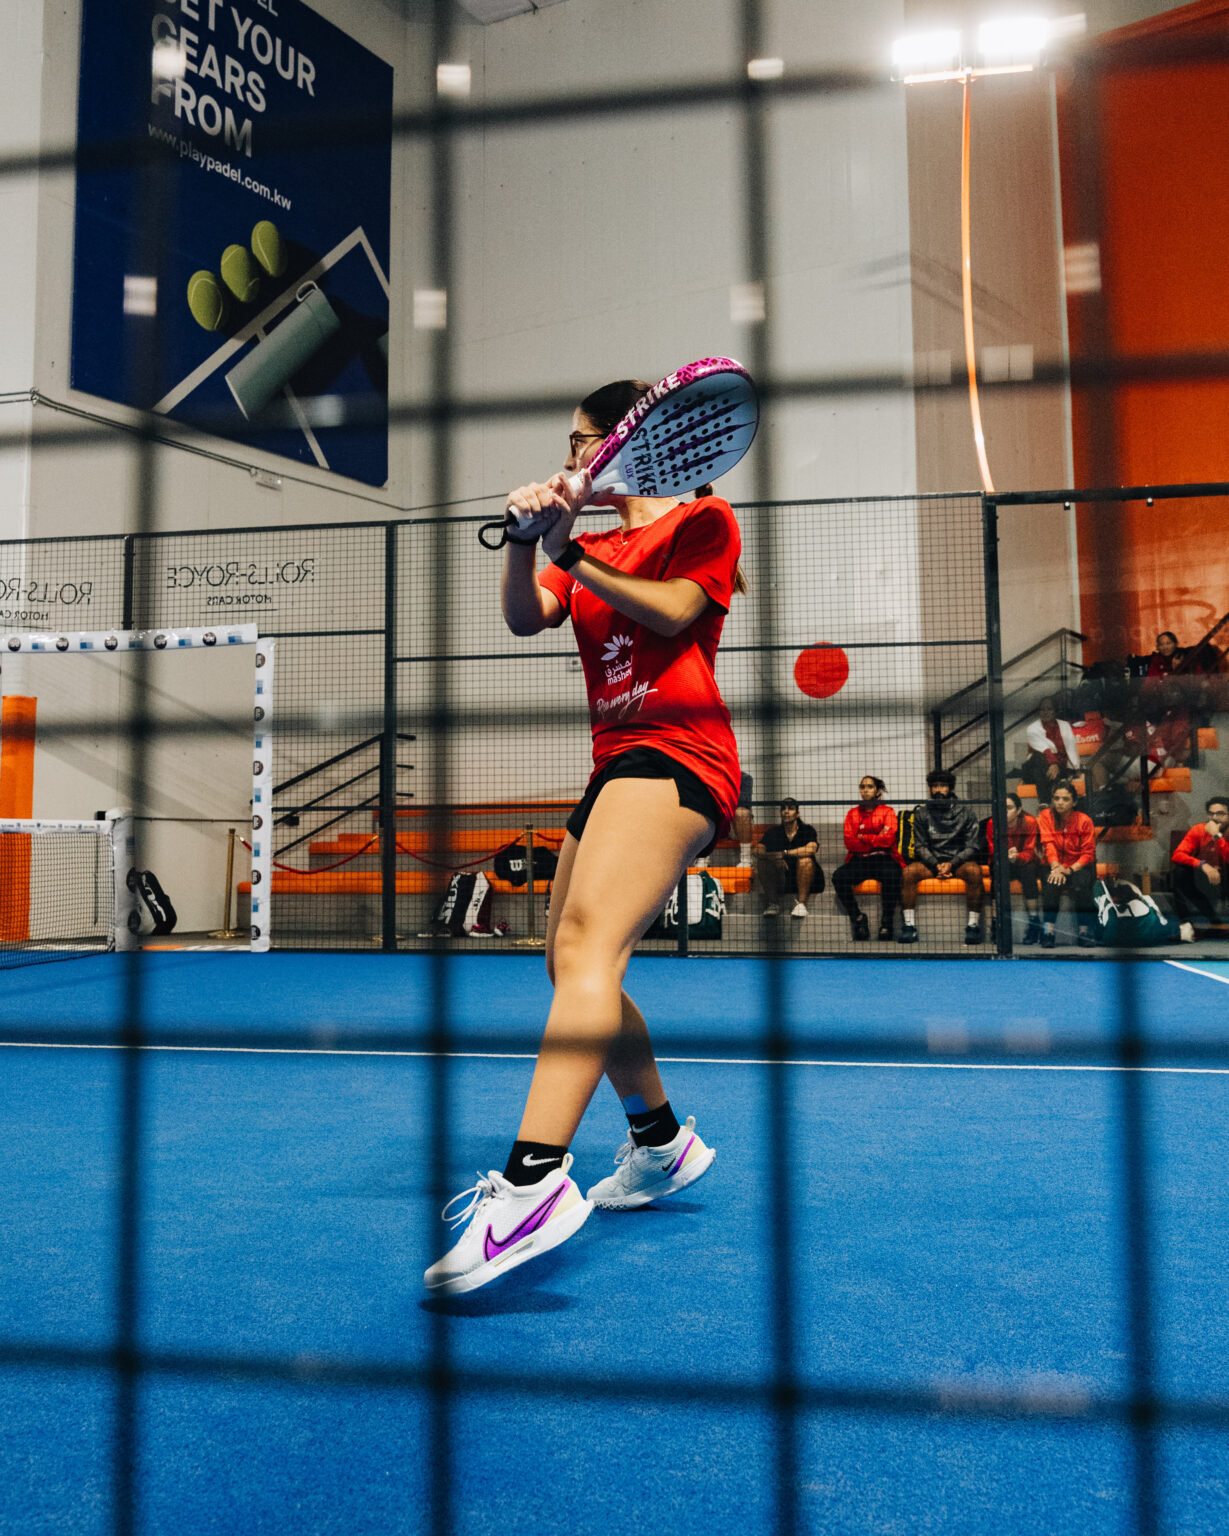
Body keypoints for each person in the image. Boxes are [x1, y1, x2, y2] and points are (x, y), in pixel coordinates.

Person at [425, 378, 740, 1295]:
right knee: (570, 965)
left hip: (681, 754)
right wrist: (528, 542)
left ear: (629, 442)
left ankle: (530, 1188)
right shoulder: (588, 543)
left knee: (586, 950)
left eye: (578, 441)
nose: (568, 458)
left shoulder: (704, 520)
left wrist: (568, 546)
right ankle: (660, 1141)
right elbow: (526, 615)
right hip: (615, 763)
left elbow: (672, 612)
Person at [899, 769, 984, 945]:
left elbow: (972, 845)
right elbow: (920, 845)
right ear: (930, 788)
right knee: (908, 872)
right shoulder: (922, 812)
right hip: (932, 862)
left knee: (975, 872)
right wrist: (936, 864)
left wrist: (952, 863)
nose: (938, 790)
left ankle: (973, 926)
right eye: (934, 786)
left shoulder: (966, 812)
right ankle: (909, 927)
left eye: (943, 785)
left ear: (951, 788)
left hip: (958, 861)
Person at [831, 775, 901, 941]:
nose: (865, 790)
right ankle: (858, 917)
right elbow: (850, 842)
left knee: (892, 874)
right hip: (860, 860)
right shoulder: (852, 814)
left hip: (883, 859)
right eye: (862, 787)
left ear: (877, 791)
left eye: (869, 787)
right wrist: (876, 838)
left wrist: (864, 837)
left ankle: (887, 922)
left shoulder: (887, 811)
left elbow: (888, 839)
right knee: (838, 877)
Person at [1037, 779, 1098, 948]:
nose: (1060, 802)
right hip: (1053, 865)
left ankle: (1084, 931)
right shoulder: (1046, 816)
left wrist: (1069, 870)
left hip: (1078, 866)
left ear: (1074, 802)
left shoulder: (1084, 820)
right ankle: (1048, 931)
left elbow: (1088, 853)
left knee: (1082, 885)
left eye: (1065, 799)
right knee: (1051, 884)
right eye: (1056, 798)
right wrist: (1056, 868)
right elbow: (1048, 844)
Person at [988, 791, 1043, 944]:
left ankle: (1034, 922)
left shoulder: (1030, 822)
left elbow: (1030, 850)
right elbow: (992, 848)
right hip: (1001, 861)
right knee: (997, 873)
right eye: (1001, 807)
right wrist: (1004, 854)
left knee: (1029, 871)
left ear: (1019, 810)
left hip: (1024, 860)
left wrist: (1016, 856)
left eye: (1009, 808)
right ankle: (996, 923)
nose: (1004, 811)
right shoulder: (992, 823)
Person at [753, 797, 822, 919]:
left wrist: (784, 854)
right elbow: (757, 850)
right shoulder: (773, 832)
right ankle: (773, 904)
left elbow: (811, 849)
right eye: (783, 809)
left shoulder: (807, 830)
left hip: (808, 879)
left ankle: (801, 904)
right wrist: (773, 857)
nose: (786, 811)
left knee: (805, 860)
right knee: (762, 862)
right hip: (783, 879)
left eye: (790, 808)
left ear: (797, 813)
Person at [1170, 797, 1229, 932]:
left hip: (1226, 877)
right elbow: (1178, 855)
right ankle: (1186, 924)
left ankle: (1216, 923)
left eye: (1220, 814)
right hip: (1205, 879)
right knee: (1179, 872)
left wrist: (1216, 836)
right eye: (1211, 814)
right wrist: (1202, 865)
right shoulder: (1199, 830)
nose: (1215, 818)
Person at [1020, 697, 1080, 792]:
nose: (1045, 712)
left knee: (1042, 771)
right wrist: (1053, 763)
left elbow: (1072, 749)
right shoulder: (1032, 728)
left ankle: (1047, 798)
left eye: (1049, 709)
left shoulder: (1065, 726)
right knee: (1038, 756)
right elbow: (1045, 749)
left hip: (1055, 769)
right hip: (1034, 767)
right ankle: (1056, 788)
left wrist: (1075, 769)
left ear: (1055, 711)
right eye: (1042, 709)